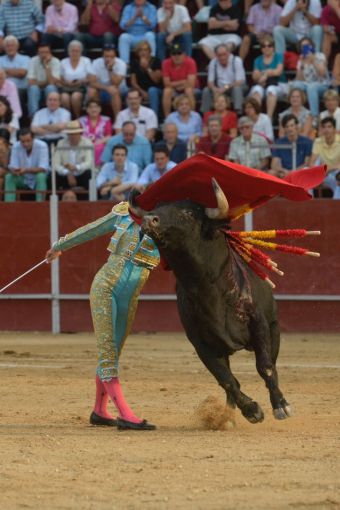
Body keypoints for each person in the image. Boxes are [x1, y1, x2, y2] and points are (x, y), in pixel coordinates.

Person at [45, 201, 160, 430]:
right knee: (108, 352)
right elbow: (91, 229)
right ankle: (126, 415)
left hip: (129, 298)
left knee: (114, 352)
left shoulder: (163, 224)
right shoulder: (122, 214)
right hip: (104, 288)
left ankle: (99, 411)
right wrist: (60, 245)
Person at [290, 37, 330, 122]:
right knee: (296, 85)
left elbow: (322, 73)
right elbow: (298, 79)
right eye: (303, 46)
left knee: (311, 87)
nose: (305, 48)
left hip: (322, 84)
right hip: (307, 84)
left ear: (312, 46)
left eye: (307, 45)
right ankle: (297, 114)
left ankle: (314, 117)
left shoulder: (320, 55)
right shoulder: (301, 59)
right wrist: (301, 65)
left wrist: (313, 60)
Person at [249, 35, 289, 120]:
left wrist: (265, 74)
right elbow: (254, 76)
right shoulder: (258, 59)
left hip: (279, 85)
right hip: (263, 85)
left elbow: (278, 72)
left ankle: (268, 118)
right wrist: (269, 73)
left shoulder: (278, 56)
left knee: (271, 89)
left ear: (273, 47)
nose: (266, 48)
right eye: (263, 46)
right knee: (256, 90)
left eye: (269, 45)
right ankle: (256, 118)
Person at [4, 128, 49, 202]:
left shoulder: (42, 146)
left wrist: (26, 170)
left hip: (36, 177)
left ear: (33, 138)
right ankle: (9, 205)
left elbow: (43, 168)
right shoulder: (16, 146)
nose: (25, 144)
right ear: (19, 140)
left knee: (41, 176)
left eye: (28, 141)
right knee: (9, 177)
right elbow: (13, 166)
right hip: (23, 177)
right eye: (23, 141)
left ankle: (40, 205)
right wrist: (15, 171)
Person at [201, 44, 246, 116]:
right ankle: (205, 114)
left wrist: (225, 88)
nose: (222, 57)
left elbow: (239, 81)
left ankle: (238, 113)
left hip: (234, 87)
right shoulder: (213, 62)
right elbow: (210, 82)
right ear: (216, 55)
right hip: (219, 88)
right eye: (220, 55)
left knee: (236, 89)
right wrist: (214, 89)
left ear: (229, 53)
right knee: (206, 90)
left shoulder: (236, 60)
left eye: (224, 54)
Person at [53, 120, 94, 196]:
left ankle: (89, 201)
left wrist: (76, 167)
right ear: (67, 134)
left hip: (81, 173)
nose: (73, 136)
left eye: (75, 133)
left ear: (80, 133)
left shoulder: (87, 143)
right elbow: (55, 164)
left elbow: (89, 162)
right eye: (70, 134)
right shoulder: (61, 143)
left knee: (89, 174)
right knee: (54, 175)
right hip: (65, 174)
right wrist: (68, 172)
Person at [88, 43, 127, 120]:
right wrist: (106, 88)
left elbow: (116, 83)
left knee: (114, 90)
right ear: (102, 56)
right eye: (106, 56)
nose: (109, 59)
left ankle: (117, 120)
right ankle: (96, 118)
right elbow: (92, 82)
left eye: (111, 57)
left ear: (115, 56)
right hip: (103, 90)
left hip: (120, 90)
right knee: (91, 90)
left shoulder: (121, 64)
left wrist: (110, 69)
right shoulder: (96, 63)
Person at [161, 42, 199, 118]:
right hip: (174, 90)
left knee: (188, 90)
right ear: (170, 55)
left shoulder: (190, 62)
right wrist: (184, 81)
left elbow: (191, 84)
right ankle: (167, 118)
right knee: (167, 91)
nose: (176, 56)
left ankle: (192, 117)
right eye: (174, 54)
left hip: (193, 89)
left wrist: (175, 84)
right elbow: (166, 84)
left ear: (184, 54)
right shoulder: (165, 63)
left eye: (179, 53)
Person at [59, 40, 95, 118]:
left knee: (75, 96)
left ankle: (77, 117)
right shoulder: (63, 62)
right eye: (72, 51)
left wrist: (81, 81)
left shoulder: (86, 61)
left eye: (77, 51)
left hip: (81, 87)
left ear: (80, 52)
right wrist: (66, 82)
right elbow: (60, 79)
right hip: (67, 87)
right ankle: (67, 118)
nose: (74, 53)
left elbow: (91, 77)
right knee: (64, 98)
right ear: (69, 51)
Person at [309, 116, 340, 198]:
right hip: (322, 174)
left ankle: (336, 208)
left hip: (336, 173)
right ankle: (306, 206)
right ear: (321, 129)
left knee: (339, 179)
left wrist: (327, 168)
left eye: (329, 127)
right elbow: (311, 164)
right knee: (305, 174)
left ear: (334, 129)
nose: (326, 129)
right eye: (324, 127)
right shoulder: (318, 141)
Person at [27, 44, 61, 118]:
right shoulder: (33, 60)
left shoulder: (56, 61)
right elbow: (30, 82)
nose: (44, 55)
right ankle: (33, 118)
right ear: (38, 53)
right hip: (37, 89)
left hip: (50, 89)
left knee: (50, 87)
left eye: (46, 52)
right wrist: (46, 82)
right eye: (41, 52)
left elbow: (52, 82)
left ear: (50, 53)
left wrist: (47, 66)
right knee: (33, 89)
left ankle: (53, 116)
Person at [118, 0, 157, 64]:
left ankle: (151, 62)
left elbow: (153, 25)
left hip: (144, 35)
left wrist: (142, 17)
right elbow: (122, 25)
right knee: (123, 37)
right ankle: (125, 65)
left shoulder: (151, 7)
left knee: (150, 35)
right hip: (131, 35)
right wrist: (134, 17)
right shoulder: (128, 7)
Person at [130, 41, 162, 117]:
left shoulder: (156, 61)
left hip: (156, 89)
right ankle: (132, 117)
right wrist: (142, 92)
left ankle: (154, 118)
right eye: (141, 50)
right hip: (140, 89)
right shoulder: (135, 62)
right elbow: (133, 82)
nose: (143, 52)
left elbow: (157, 80)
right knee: (130, 93)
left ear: (149, 51)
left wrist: (147, 68)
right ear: (137, 52)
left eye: (146, 50)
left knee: (152, 91)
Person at [79, 98, 112, 168]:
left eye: (96, 107)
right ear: (87, 110)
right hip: (84, 145)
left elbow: (108, 136)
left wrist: (95, 144)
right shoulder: (81, 120)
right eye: (91, 107)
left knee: (99, 148)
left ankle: (98, 168)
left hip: (100, 145)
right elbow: (78, 135)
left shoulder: (106, 120)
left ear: (100, 109)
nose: (93, 109)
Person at [0, 35, 30, 108]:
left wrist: (5, 71)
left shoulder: (25, 58)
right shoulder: (0, 59)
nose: (10, 48)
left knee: (15, 92)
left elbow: (22, 73)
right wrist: (15, 72)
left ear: (17, 47)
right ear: (4, 48)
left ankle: (17, 117)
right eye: (7, 46)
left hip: (20, 88)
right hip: (3, 88)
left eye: (12, 45)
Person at [0, 128, 10, 200]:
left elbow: (7, 167)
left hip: (10, 172)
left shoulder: (14, 149)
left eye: (3, 142)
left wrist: (4, 153)